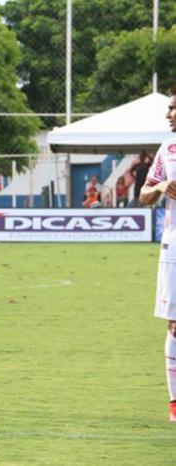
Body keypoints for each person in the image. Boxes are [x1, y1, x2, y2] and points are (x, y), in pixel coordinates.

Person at [139, 86, 176, 422]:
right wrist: (161, 187)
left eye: (173, 108)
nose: (168, 114)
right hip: (174, 248)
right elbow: (143, 195)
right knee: (175, 326)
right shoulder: (167, 149)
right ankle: (175, 404)